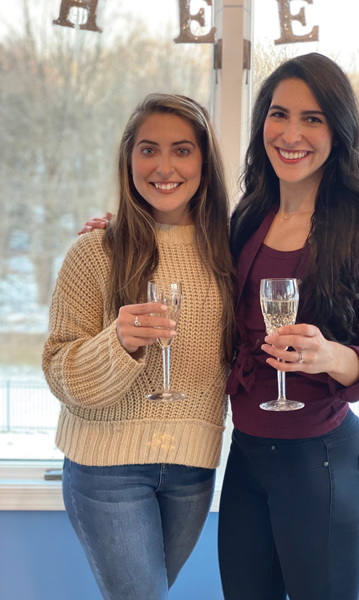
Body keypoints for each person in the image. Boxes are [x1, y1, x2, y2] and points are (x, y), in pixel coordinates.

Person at [83, 53, 359, 600]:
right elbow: (184, 248)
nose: (291, 134)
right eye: (279, 115)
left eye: (312, 119)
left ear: (338, 131)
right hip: (247, 455)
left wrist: (331, 355)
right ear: (262, 124)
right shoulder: (249, 217)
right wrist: (124, 225)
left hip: (320, 462)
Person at [42, 93, 235, 600]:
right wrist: (118, 345)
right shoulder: (94, 251)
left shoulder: (229, 252)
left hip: (193, 466)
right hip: (106, 469)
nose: (164, 167)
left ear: (205, 163)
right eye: (148, 150)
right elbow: (57, 369)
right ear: (129, 159)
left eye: (182, 150)